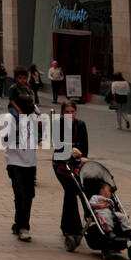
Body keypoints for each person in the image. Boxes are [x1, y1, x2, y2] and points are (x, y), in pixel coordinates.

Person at [6, 66, 38, 241]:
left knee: (29, 195)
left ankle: (19, 224)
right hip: (15, 162)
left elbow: (42, 133)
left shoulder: (34, 115)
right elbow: (5, 139)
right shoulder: (11, 118)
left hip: (30, 162)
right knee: (20, 194)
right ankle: (23, 226)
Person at [51, 100, 88, 241]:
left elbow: (85, 147)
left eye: (72, 112)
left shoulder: (81, 125)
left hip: (77, 164)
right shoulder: (57, 125)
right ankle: (72, 227)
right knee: (71, 191)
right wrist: (69, 150)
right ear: (62, 113)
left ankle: (70, 226)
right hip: (61, 165)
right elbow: (57, 147)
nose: (70, 114)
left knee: (80, 192)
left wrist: (82, 158)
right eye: (67, 112)